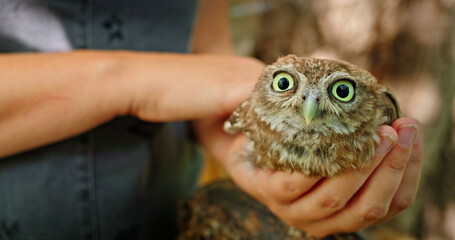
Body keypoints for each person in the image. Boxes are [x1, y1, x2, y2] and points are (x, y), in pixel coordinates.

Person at [0, 0, 422, 239]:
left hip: (164, 217)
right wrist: (131, 82)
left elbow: (209, 57)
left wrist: (249, 151)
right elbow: (203, 78)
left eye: (342, 93)